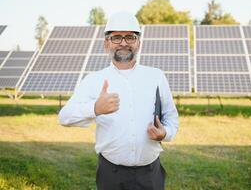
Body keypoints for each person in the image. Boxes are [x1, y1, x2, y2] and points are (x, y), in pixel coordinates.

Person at [59, 11, 179, 190]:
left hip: (151, 174)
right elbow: (64, 117)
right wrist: (95, 108)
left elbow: (171, 117)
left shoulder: (156, 76)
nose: (123, 42)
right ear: (106, 43)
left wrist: (165, 133)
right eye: (116, 37)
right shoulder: (93, 80)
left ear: (138, 42)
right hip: (111, 175)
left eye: (130, 37)